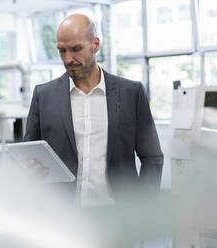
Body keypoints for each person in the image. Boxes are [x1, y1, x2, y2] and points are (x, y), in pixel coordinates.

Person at [24, 14, 163, 206]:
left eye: (76, 49)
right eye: (62, 51)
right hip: (62, 218)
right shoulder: (43, 95)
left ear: (95, 44)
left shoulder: (131, 93)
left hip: (117, 215)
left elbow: (152, 157)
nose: (68, 58)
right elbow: (29, 156)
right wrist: (30, 169)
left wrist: (141, 208)